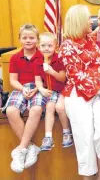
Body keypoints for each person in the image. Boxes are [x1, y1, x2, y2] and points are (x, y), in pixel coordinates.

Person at [58, 4, 100, 180]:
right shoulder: (67, 46)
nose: (93, 21)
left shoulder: (90, 38)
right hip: (78, 96)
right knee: (86, 144)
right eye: (89, 18)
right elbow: (77, 76)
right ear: (78, 21)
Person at [2, 24, 44, 173]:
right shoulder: (14, 58)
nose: (28, 40)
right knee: (11, 110)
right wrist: (23, 89)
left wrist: (36, 89)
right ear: (19, 39)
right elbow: (13, 80)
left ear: (37, 40)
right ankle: (30, 147)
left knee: (36, 109)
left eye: (32, 38)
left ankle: (21, 149)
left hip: (38, 87)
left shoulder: (43, 56)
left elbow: (46, 79)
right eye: (25, 37)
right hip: (21, 87)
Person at [34, 32, 73, 151]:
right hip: (50, 90)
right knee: (50, 107)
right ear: (39, 47)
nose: (46, 48)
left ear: (56, 47)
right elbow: (38, 80)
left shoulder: (59, 59)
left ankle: (67, 133)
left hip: (63, 89)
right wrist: (41, 89)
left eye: (50, 46)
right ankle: (48, 137)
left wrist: (52, 72)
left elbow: (62, 78)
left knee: (60, 108)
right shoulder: (37, 61)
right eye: (43, 46)